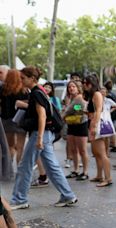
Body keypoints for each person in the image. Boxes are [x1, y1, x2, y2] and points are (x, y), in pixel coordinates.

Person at [9, 66, 77, 210]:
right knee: (52, 167)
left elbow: (42, 115)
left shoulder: (36, 93)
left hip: (40, 133)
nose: (21, 80)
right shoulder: (39, 91)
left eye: (23, 78)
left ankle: (20, 199)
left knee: (25, 166)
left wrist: (39, 138)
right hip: (44, 133)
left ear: (32, 78)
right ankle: (68, 195)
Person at [83, 74, 112, 187]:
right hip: (93, 123)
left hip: (96, 125)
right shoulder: (92, 95)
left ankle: (108, 177)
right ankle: (100, 175)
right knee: (96, 152)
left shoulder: (96, 94)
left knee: (101, 153)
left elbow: (99, 110)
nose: (84, 86)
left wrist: (94, 126)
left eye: (86, 83)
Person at [0, 69, 29, 165]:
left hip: (6, 120)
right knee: (20, 147)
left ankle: (8, 169)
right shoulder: (24, 90)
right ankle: (19, 170)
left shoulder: (3, 89)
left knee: (9, 146)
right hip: (20, 120)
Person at [62, 80, 89, 181]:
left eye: (73, 86)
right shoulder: (69, 98)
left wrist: (68, 110)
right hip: (71, 124)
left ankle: (85, 172)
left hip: (81, 124)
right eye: (69, 87)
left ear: (78, 88)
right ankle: (76, 170)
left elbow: (81, 108)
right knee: (73, 149)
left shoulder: (80, 98)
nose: (71, 88)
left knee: (82, 149)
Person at [103, 80, 116, 153]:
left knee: (107, 134)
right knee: (109, 133)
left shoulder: (108, 99)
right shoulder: (113, 95)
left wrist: (109, 111)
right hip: (107, 118)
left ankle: (106, 151)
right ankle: (111, 147)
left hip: (107, 119)